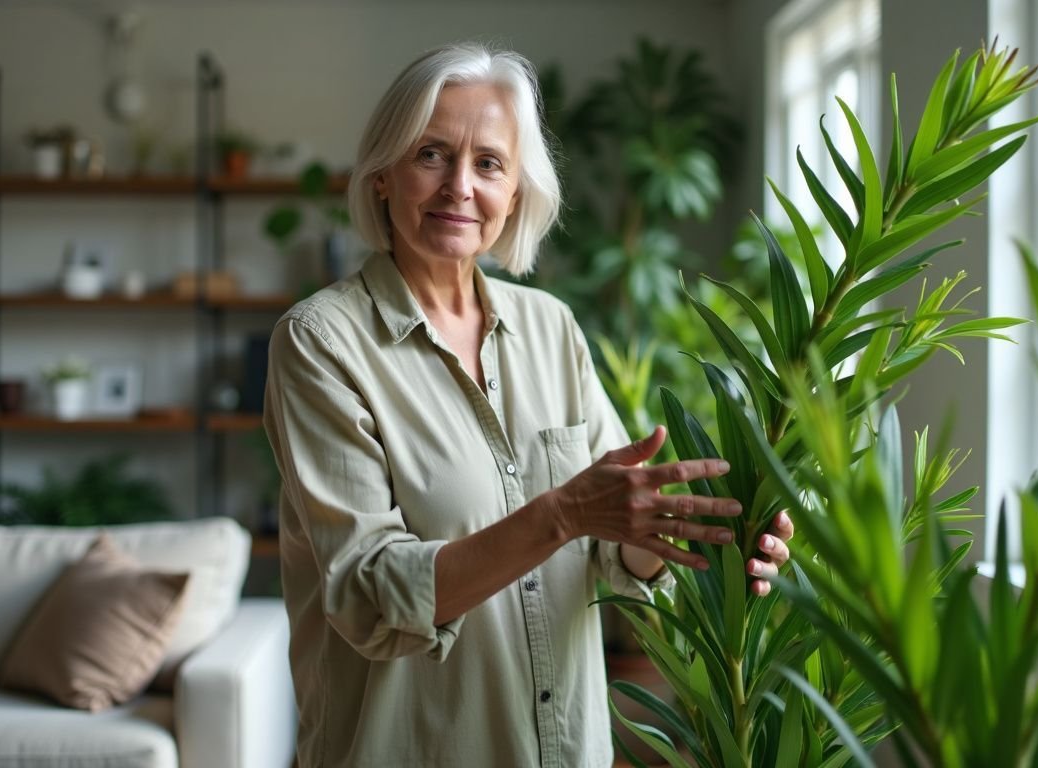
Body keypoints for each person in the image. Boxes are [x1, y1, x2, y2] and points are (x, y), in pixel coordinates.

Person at [263, 42, 794, 768]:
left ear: (515, 193)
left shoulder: (551, 327)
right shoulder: (320, 342)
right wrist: (562, 513)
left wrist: (698, 532)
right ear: (382, 175)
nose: (459, 186)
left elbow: (613, 552)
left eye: (488, 163)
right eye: (430, 154)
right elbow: (369, 593)